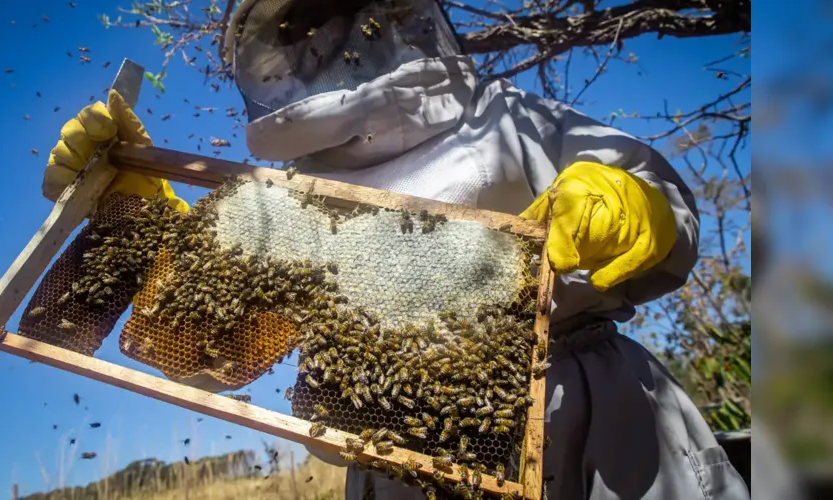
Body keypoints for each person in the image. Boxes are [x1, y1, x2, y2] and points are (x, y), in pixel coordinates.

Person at [43, 1, 750, 498]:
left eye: (332, 21)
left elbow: (653, 196)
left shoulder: (507, 117)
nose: (318, 46)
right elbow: (208, 348)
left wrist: (634, 200)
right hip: (401, 449)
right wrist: (153, 227)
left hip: (590, 413)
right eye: (297, 33)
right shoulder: (283, 198)